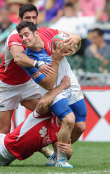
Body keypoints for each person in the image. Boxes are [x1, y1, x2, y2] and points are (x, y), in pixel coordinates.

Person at [16, 21, 86, 168]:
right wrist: (55, 59)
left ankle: (56, 152)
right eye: (21, 36)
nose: (23, 39)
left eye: (26, 34)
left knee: (80, 127)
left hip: (70, 82)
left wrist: (75, 37)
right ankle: (61, 160)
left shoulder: (48, 33)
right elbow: (47, 84)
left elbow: (75, 39)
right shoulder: (29, 60)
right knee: (69, 120)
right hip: (52, 90)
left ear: (36, 33)